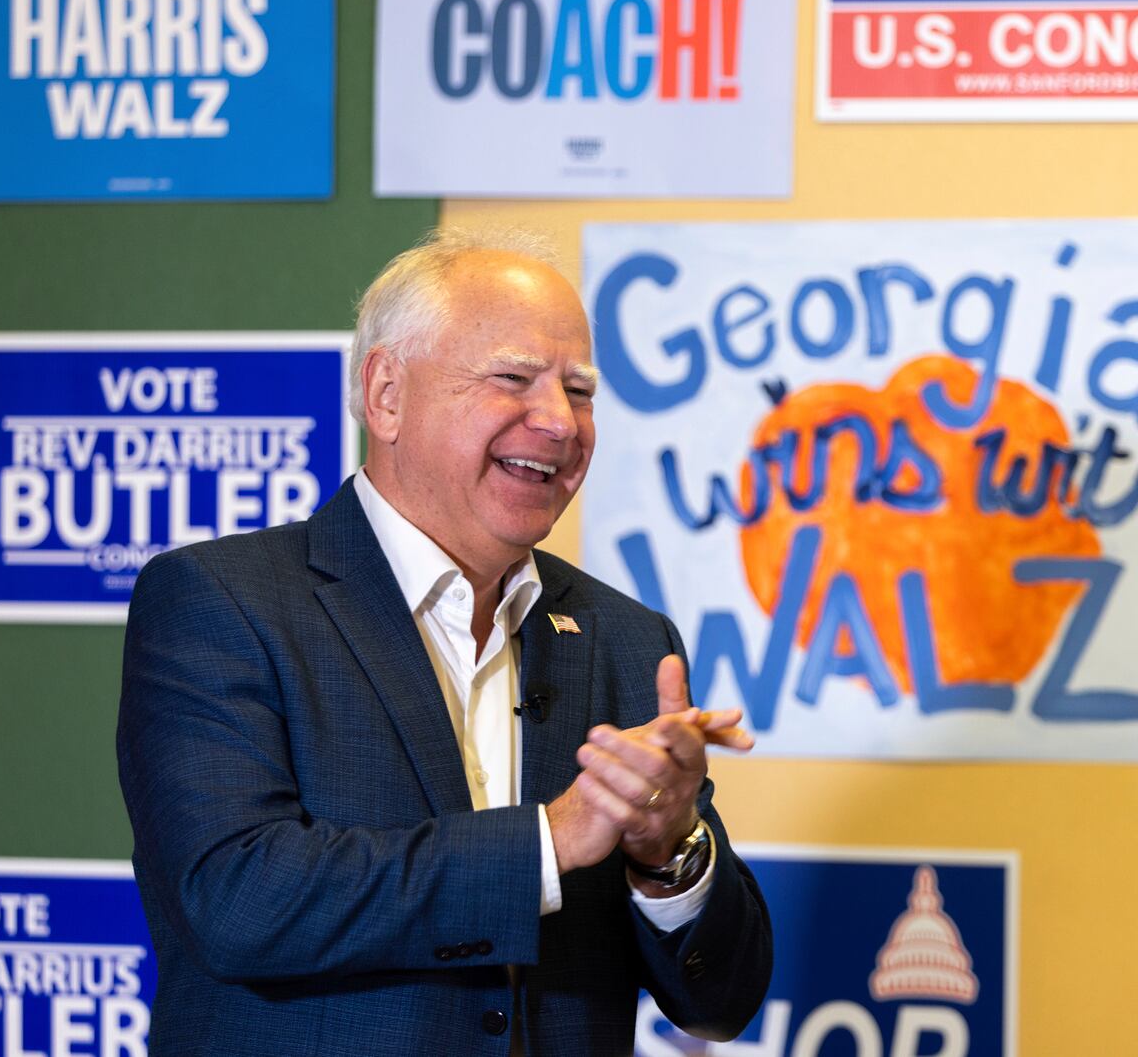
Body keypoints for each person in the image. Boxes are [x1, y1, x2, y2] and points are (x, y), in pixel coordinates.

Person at [116, 226, 772, 1056]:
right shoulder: (223, 602)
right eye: (513, 379)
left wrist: (667, 849)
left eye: (579, 390)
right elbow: (239, 898)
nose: (560, 423)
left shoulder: (629, 641)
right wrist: (550, 839)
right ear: (387, 394)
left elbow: (723, 1001)